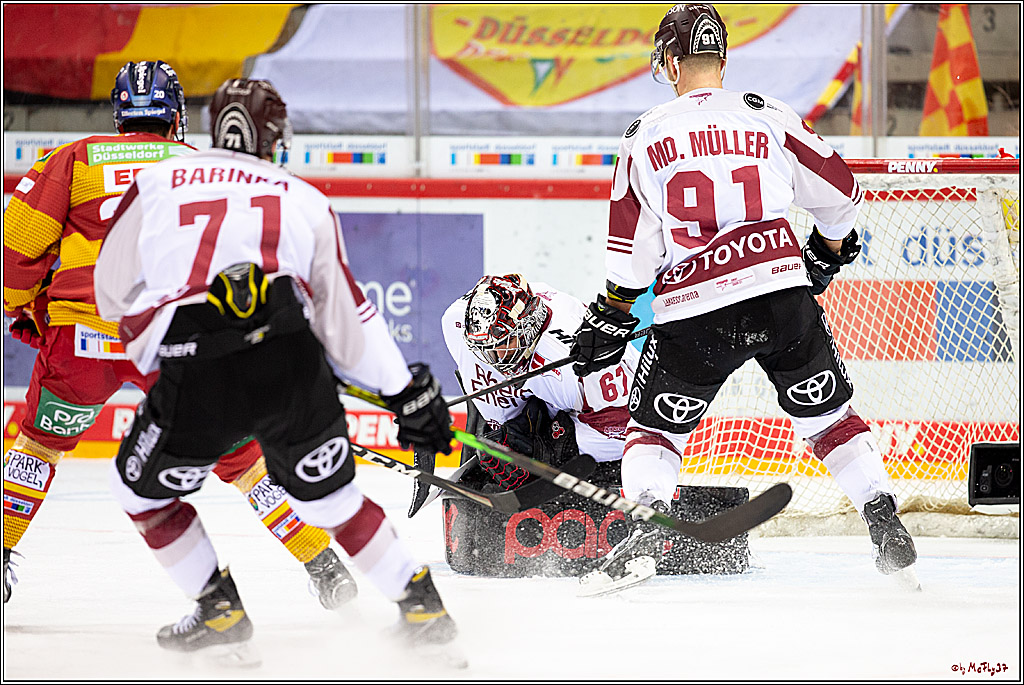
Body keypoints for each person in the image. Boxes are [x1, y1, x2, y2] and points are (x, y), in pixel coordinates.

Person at [93, 78, 462, 663]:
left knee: (141, 493)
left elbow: (111, 290)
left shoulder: (157, 181)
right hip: (289, 359)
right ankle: (425, 611)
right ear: (274, 136)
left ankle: (219, 611)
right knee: (333, 500)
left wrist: (157, 347)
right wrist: (405, 393)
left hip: (196, 369)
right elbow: (347, 320)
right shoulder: (304, 198)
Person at [570, 4, 919, 590]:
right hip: (782, 298)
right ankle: (881, 515)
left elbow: (631, 252)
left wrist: (610, 313)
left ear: (670, 61)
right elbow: (842, 195)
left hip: (696, 315)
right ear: (723, 60)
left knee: (655, 432)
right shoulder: (771, 115)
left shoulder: (644, 134)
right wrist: (827, 250)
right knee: (829, 416)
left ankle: (643, 535)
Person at [2, 61, 355, 610]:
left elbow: (16, 251)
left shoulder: (72, 158)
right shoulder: (206, 167)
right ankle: (322, 561)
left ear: (120, 113)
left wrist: (22, 307)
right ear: (175, 116)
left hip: (83, 343)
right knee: (243, 457)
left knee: (39, 445)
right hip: (176, 342)